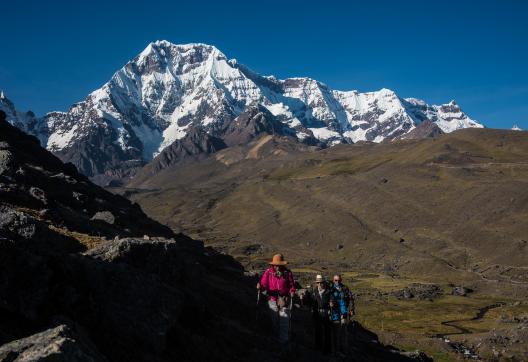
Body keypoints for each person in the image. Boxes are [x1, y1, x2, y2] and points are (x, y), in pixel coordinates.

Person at [257, 254, 296, 344]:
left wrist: (292, 291)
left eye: (279, 265)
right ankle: (275, 340)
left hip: (284, 299)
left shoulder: (287, 272)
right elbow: (263, 284)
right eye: (276, 265)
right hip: (272, 298)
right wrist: (260, 286)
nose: (277, 267)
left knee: (284, 321)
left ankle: (283, 341)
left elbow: (291, 285)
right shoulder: (268, 272)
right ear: (273, 265)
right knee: (274, 320)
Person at [331, 274, 354, 354]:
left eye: (339, 280)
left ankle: (344, 350)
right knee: (336, 332)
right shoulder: (331, 289)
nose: (337, 282)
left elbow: (351, 299)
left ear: (341, 280)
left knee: (344, 333)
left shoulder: (345, 288)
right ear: (333, 280)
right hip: (334, 314)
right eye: (336, 280)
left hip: (343, 313)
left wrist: (351, 309)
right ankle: (336, 350)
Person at [310, 275, 332, 354]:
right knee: (318, 331)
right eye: (318, 283)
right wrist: (303, 298)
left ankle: (327, 349)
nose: (319, 284)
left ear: (324, 283)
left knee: (327, 332)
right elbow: (309, 302)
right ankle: (318, 347)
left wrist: (332, 304)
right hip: (317, 314)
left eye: (321, 282)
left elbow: (334, 301)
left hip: (326, 314)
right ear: (316, 283)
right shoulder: (313, 292)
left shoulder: (328, 292)